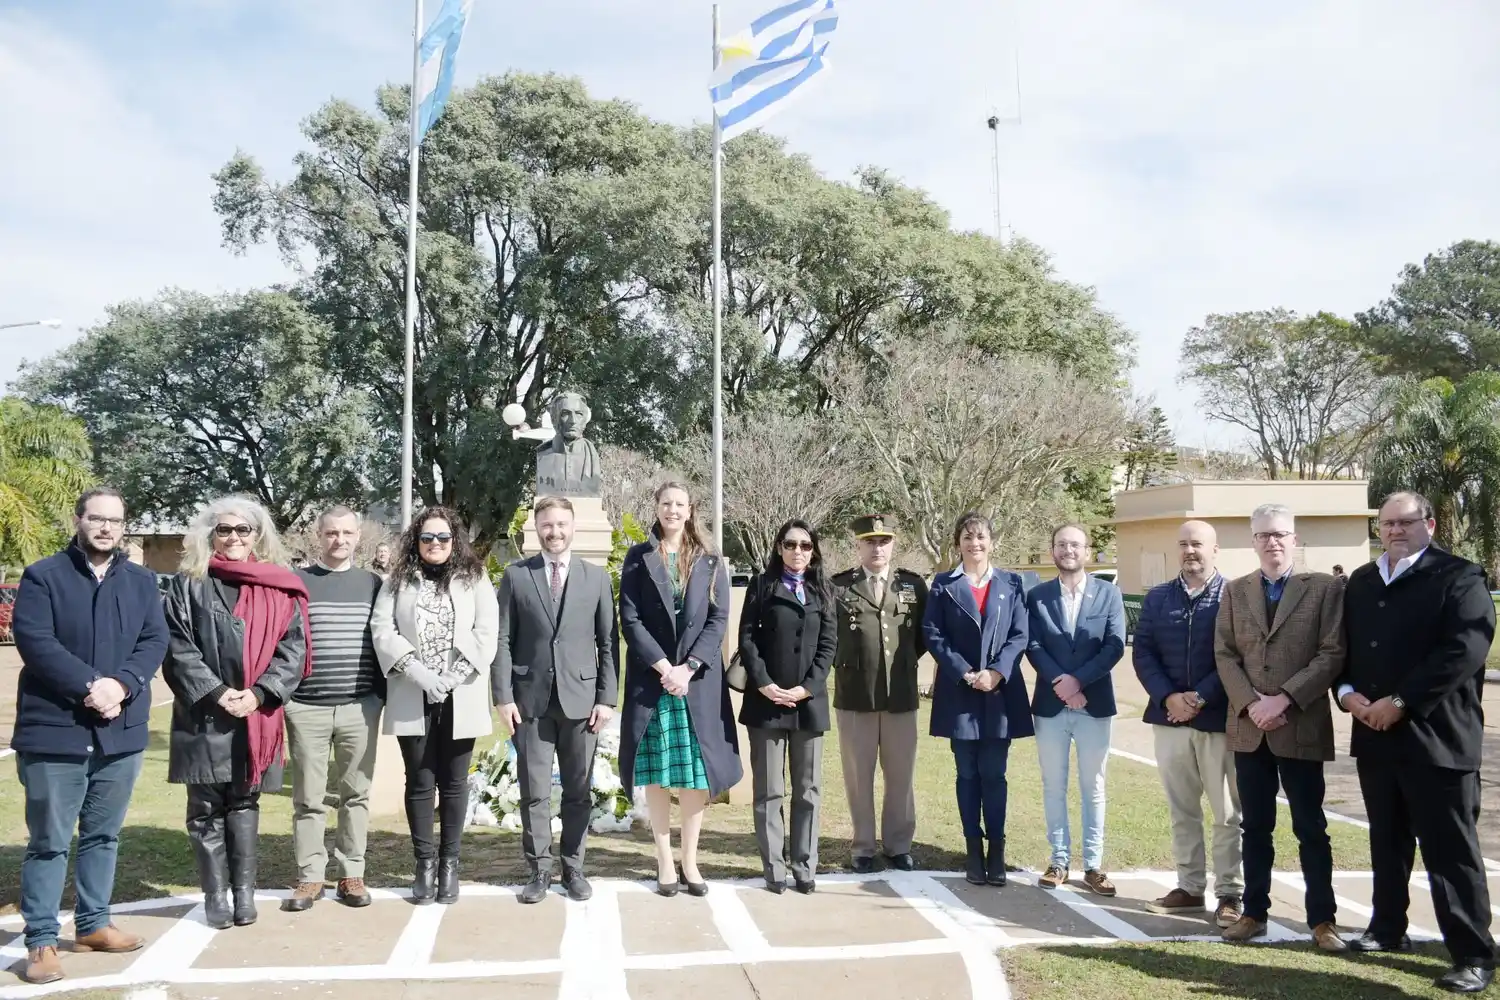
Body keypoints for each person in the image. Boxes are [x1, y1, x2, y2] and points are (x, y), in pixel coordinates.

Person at [1337, 492, 1496, 994]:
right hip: (1374, 737)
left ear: (1428, 522)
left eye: (1405, 522)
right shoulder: (1361, 581)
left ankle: (1473, 953)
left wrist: (1401, 701)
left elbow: (1464, 650)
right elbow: (1343, 647)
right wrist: (1346, 694)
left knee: (1450, 851)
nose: (1395, 531)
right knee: (1387, 841)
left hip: (1438, 739)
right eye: (1386, 523)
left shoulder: (1460, 577)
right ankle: (1387, 929)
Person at [11, 488, 169, 985]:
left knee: (103, 835)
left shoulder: (143, 581)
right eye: (96, 519)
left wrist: (121, 684)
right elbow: (36, 641)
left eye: (115, 521)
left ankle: (93, 924)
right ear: (79, 520)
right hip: (55, 732)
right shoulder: (43, 576)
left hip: (120, 733)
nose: (105, 528)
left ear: (124, 527)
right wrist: (89, 686)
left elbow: (154, 639)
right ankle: (40, 940)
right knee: (49, 841)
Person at [161, 496, 310, 931]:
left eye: (242, 530)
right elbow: (177, 648)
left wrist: (261, 693)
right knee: (205, 807)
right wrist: (216, 691)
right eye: (224, 530)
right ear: (211, 535)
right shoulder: (188, 584)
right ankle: (215, 896)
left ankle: (243, 894)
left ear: (257, 535)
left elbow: (293, 650)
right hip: (204, 716)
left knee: (244, 802)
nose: (233, 538)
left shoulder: (280, 585)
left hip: (254, 717)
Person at [1215, 504, 1346, 951]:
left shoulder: (1325, 589)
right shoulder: (1235, 591)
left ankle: (1323, 921)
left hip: (1300, 723)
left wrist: (1285, 698)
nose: (1272, 542)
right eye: (1263, 535)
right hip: (1251, 728)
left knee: (1310, 826)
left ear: (1295, 539)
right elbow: (1225, 655)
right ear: (1253, 541)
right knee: (1256, 827)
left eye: (1280, 534)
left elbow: (1331, 653)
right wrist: (1252, 704)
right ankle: (1253, 913)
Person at [493, 496, 618, 904]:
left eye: (561, 524)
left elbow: (608, 643)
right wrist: (503, 697)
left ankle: (574, 867)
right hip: (530, 702)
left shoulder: (596, 578)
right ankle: (540, 870)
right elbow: (503, 640)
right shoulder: (516, 576)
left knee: (578, 790)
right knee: (534, 790)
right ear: (537, 528)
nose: (555, 532)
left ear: (573, 527)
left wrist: (606, 698)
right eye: (547, 525)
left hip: (582, 702)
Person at [618, 482, 740, 896]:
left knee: (693, 776)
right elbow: (630, 620)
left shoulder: (710, 559)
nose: (672, 510)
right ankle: (664, 861)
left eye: (680, 504)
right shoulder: (638, 558)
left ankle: (690, 861)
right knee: (656, 774)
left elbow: (718, 619)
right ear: (656, 507)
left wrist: (687, 669)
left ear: (691, 510)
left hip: (695, 684)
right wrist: (664, 667)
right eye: (665, 503)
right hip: (653, 683)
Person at [373, 506, 498, 905]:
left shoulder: (474, 579)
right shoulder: (398, 581)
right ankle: (424, 863)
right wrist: (419, 673)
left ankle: (450, 864)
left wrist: (451, 677)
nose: (435, 545)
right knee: (420, 781)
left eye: (443, 538)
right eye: (427, 538)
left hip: (460, 693)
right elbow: (382, 628)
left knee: (455, 782)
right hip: (414, 692)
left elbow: (486, 631)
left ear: (454, 540)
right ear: (416, 541)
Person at [1133, 520, 1243, 928]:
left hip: (1216, 720)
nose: (1189, 551)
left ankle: (1229, 892)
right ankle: (1190, 886)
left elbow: (1236, 655)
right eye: (1183, 544)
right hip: (1169, 720)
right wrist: (1168, 698)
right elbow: (1143, 653)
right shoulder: (1159, 598)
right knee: (1182, 810)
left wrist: (1198, 697)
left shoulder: (1234, 596)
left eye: (1197, 544)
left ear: (1215, 549)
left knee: (1226, 813)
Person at [283, 506, 385, 912]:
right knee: (308, 798)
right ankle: (310, 877)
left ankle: (350, 873)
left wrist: (378, 697)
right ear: (318, 536)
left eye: (346, 533)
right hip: (307, 707)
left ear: (358, 536)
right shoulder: (298, 583)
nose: (338, 540)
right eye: (331, 533)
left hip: (360, 707)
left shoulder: (374, 584)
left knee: (355, 794)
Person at [923, 511, 1032, 887]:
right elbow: (933, 634)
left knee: (994, 775)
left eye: (981, 537)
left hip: (1000, 692)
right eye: (968, 538)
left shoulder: (1012, 584)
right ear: (958, 544)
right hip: (961, 694)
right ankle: (973, 849)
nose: (975, 544)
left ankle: (997, 850)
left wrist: (997, 671)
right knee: (967, 774)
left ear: (992, 542)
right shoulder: (943, 584)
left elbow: (1020, 635)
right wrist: (966, 672)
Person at [1025, 524, 1125, 896]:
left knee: (1093, 786)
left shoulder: (1109, 594)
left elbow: (1114, 647)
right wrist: (1062, 685)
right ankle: (1059, 860)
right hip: (1051, 706)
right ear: (1053, 551)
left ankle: (1094, 866)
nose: (1069, 550)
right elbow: (1032, 645)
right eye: (1062, 544)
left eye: (1075, 545)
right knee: (1054, 785)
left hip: (1094, 705)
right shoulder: (1036, 596)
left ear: (1088, 551)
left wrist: (1078, 682)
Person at [739, 519, 838, 894]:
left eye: (805, 546)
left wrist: (806, 689)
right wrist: (765, 684)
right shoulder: (762, 586)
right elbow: (746, 640)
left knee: (808, 789)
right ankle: (774, 868)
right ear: (779, 547)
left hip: (808, 705)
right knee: (769, 790)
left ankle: (804, 865)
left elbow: (829, 645)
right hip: (765, 705)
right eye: (791, 544)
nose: (798, 551)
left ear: (814, 552)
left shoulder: (824, 590)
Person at [829, 514, 928, 874]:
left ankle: (899, 844)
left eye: (883, 541)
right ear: (857, 546)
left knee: (900, 775)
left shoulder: (913, 586)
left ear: (893, 544)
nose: (877, 548)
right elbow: (830, 638)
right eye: (869, 541)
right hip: (855, 696)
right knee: (859, 776)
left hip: (900, 696)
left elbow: (920, 640)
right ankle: (864, 846)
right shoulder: (839, 587)